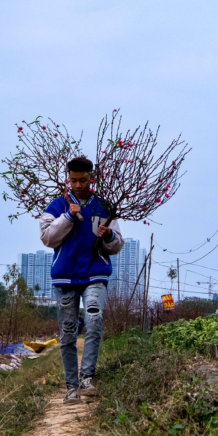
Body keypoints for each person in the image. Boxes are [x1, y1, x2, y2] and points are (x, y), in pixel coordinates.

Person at [39, 156, 124, 404]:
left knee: (94, 320)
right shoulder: (56, 207)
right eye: (74, 180)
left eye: (83, 180)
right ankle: (71, 387)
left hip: (95, 273)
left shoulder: (104, 207)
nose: (78, 185)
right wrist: (68, 218)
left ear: (91, 178)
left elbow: (117, 244)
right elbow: (47, 238)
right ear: (69, 178)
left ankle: (87, 378)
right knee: (67, 333)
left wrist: (108, 235)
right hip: (65, 277)